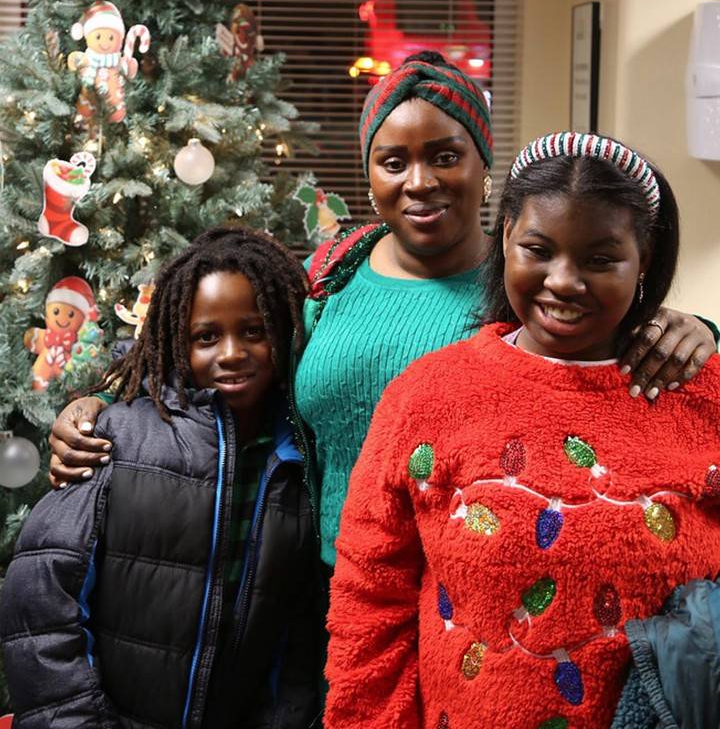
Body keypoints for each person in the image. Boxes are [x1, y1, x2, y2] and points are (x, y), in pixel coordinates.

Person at [46, 53, 717, 577]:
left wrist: (695, 329)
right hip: (309, 576)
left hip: (461, 584)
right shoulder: (328, 278)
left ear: (486, 167)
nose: (419, 181)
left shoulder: (529, 292)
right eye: (393, 161)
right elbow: (221, 359)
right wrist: (99, 404)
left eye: (445, 156)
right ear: (368, 173)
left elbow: (605, 356)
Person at [324, 132, 720, 729]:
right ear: (505, 237)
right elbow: (370, 599)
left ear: (645, 261)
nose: (564, 281)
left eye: (600, 259)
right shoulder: (428, 394)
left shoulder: (700, 391)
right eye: (539, 248)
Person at [0, 227, 322, 729]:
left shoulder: (300, 456)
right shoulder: (118, 434)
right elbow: (41, 601)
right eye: (206, 336)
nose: (232, 352)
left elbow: (299, 635)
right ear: (176, 340)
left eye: (254, 331)